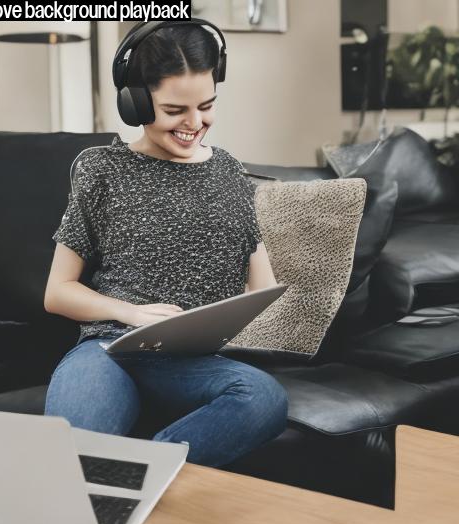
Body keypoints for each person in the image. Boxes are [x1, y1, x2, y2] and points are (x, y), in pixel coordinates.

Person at [42, 20, 287, 468]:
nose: (195, 124)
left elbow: (262, 286)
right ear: (135, 102)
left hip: (189, 363)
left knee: (264, 396)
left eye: (207, 106)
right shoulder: (102, 171)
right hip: (108, 350)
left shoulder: (230, 172)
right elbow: (57, 292)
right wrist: (131, 313)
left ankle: (143, 476)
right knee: (69, 454)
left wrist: (228, 317)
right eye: (176, 110)